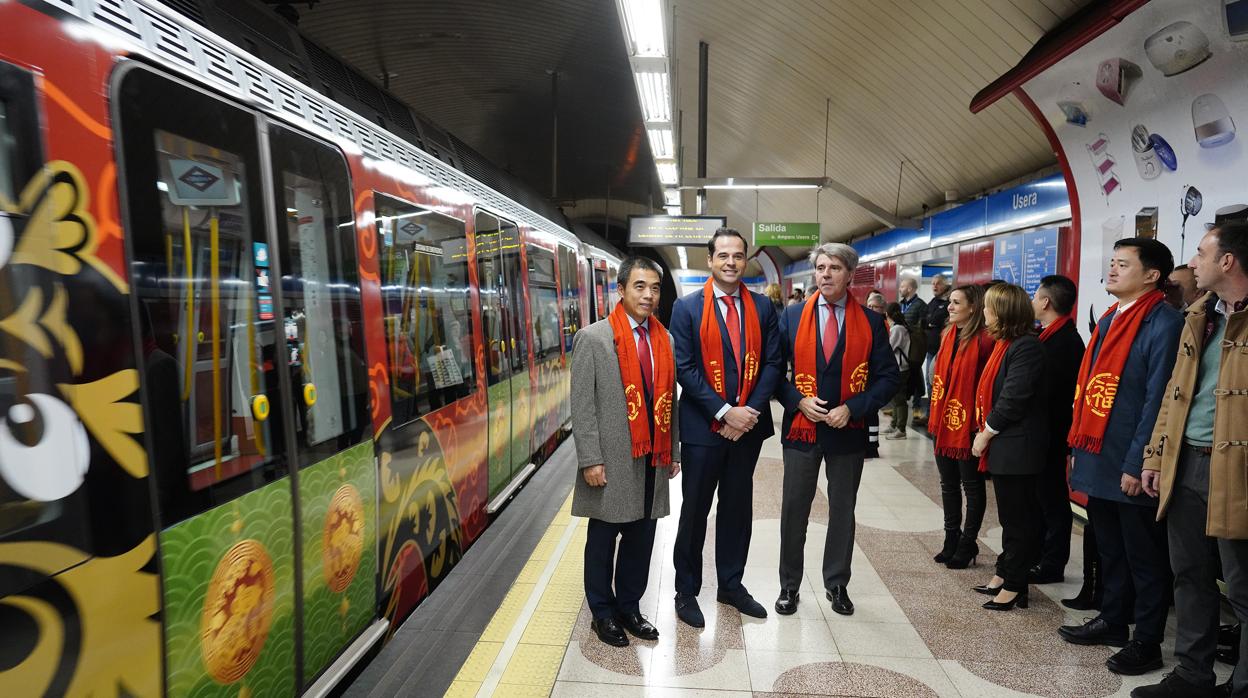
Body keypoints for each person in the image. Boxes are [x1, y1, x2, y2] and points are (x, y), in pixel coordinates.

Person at [1059, 238, 1183, 677]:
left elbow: (1157, 400)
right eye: (1111, 262)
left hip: (1130, 460)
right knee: (1108, 547)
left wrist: (1138, 462)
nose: (1111, 270)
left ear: (1152, 275)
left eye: (1123, 264)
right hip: (1099, 453)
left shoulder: (1164, 322)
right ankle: (1113, 620)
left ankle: (1146, 640)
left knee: (1144, 556)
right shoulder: (1112, 317)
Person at [1135, 221, 1248, 698]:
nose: (1193, 263)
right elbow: (1173, 397)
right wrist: (1156, 455)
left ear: (1227, 261)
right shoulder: (1200, 316)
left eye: (1202, 253)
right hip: (1187, 464)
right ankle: (1192, 675)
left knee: (1242, 586)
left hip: (1237, 473)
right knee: (1190, 573)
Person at [774, 243, 899, 616]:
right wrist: (797, 400)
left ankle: (837, 583)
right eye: (821, 267)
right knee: (794, 508)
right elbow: (773, 371)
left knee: (843, 509)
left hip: (847, 430)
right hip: (802, 428)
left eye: (835, 268)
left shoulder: (872, 322)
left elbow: (888, 378)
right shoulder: (793, 317)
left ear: (850, 274)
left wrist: (854, 407)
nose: (826, 274)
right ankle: (789, 585)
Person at [669, 229, 783, 625]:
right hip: (703, 430)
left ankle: (731, 586)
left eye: (738, 255)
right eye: (723, 255)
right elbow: (684, 368)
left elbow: (773, 363)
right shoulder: (686, 309)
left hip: (747, 428)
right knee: (695, 511)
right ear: (710, 261)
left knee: (737, 509)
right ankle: (686, 591)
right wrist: (723, 412)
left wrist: (747, 411)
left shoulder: (763, 308)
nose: (731, 262)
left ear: (745, 259)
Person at [570, 256, 681, 647]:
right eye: (639, 286)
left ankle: (630, 607)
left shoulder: (663, 339)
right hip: (612, 459)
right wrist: (590, 459)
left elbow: (671, 402)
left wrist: (675, 451)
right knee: (603, 540)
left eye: (654, 288)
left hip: (652, 459)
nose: (648, 295)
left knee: (641, 539)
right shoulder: (594, 338)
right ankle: (602, 612)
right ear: (620, 289)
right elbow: (582, 405)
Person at [969, 284, 1047, 611]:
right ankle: (1005, 572)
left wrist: (985, 433)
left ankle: (1016, 584)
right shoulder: (1006, 344)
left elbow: (1013, 398)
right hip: (1008, 448)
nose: (983, 313)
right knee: (1009, 515)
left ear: (1002, 312)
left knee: (1019, 518)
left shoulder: (1026, 347)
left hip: (1019, 448)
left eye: (988, 308)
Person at [928, 285, 995, 568]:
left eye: (956, 303)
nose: (950, 307)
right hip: (944, 422)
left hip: (969, 425)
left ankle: (968, 543)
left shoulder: (985, 340)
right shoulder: (947, 335)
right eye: (950, 302)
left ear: (973, 307)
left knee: (972, 486)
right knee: (948, 485)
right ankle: (950, 539)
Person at [1029, 275, 1086, 586]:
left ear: (1046, 302)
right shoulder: (1051, 336)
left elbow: (1052, 395)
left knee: (1052, 499)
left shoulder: (1063, 343)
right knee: (1042, 497)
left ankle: (1052, 563)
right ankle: (1041, 555)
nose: (1033, 302)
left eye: (1036, 297)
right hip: (1045, 433)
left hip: (1052, 434)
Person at [919, 273, 951, 424]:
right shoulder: (933, 301)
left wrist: (931, 322)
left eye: (938, 283)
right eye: (932, 283)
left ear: (945, 285)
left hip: (941, 351)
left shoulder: (947, 302)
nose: (934, 286)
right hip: (930, 350)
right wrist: (930, 322)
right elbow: (925, 319)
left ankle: (937, 415)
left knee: (938, 384)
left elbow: (933, 319)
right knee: (929, 382)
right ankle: (930, 414)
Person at [898, 276, 928, 421]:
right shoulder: (900, 304)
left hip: (915, 346)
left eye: (902, 286)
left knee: (916, 374)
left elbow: (923, 326)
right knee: (904, 375)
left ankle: (916, 406)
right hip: (902, 346)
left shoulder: (921, 305)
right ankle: (898, 406)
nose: (900, 289)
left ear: (909, 288)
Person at [884, 302, 910, 439]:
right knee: (895, 398)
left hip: (901, 368)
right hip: (897, 367)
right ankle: (894, 425)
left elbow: (889, 347)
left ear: (887, 314)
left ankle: (901, 429)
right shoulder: (896, 328)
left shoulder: (898, 329)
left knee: (899, 399)